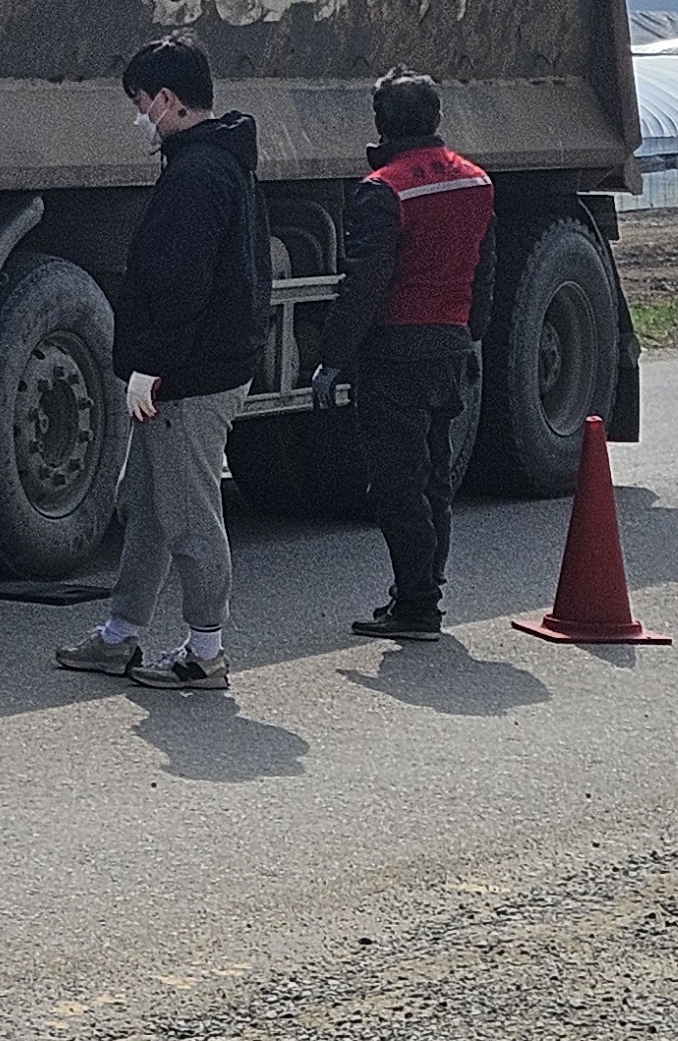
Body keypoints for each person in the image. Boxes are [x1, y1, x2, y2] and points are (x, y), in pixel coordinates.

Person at [55, 34, 269, 693]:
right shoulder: (215, 163)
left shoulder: (195, 174)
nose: (140, 115)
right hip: (195, 368)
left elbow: (182, 284)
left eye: (143, 102)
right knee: (145, 505)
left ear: (168, 100)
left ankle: (204, 650)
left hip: (188, 376)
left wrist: (151, 364)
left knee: (186, 512)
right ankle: (121, 633)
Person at [318, 70, 495, 643]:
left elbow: (365, 283)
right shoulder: (475, 181)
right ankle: (426, 588)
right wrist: (471, 333)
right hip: (448, 345)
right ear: (436, 118)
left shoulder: (383, 188)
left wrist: (333, 357)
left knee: (396, 485)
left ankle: (416, 604)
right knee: (434, 479)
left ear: (380, 123)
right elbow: (485, 270)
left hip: (396, 352)